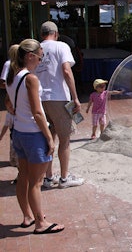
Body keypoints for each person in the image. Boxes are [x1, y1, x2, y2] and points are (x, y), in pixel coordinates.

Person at [5, 38, 64, 234]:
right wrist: (48, 137)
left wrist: (17, 113)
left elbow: (8, 103)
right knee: (36, 182)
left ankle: (28, 216)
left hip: (19, 132)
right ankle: (40, 222)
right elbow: (38, 112)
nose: (40, 61)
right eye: (40, 57)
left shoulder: (13, 77)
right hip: (33, 133)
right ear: (30, 56)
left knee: (23, 176)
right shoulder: (31, 79)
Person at [35, 21, 84, 189]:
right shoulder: (61, 46)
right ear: (56, 34)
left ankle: (48, 177)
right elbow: (66, 70)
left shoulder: (36, 48)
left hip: (40, 99)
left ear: (41, 34)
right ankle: (64, 178)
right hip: (58, 97)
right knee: (65, 139)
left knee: (48, 138)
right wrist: (75, 97)